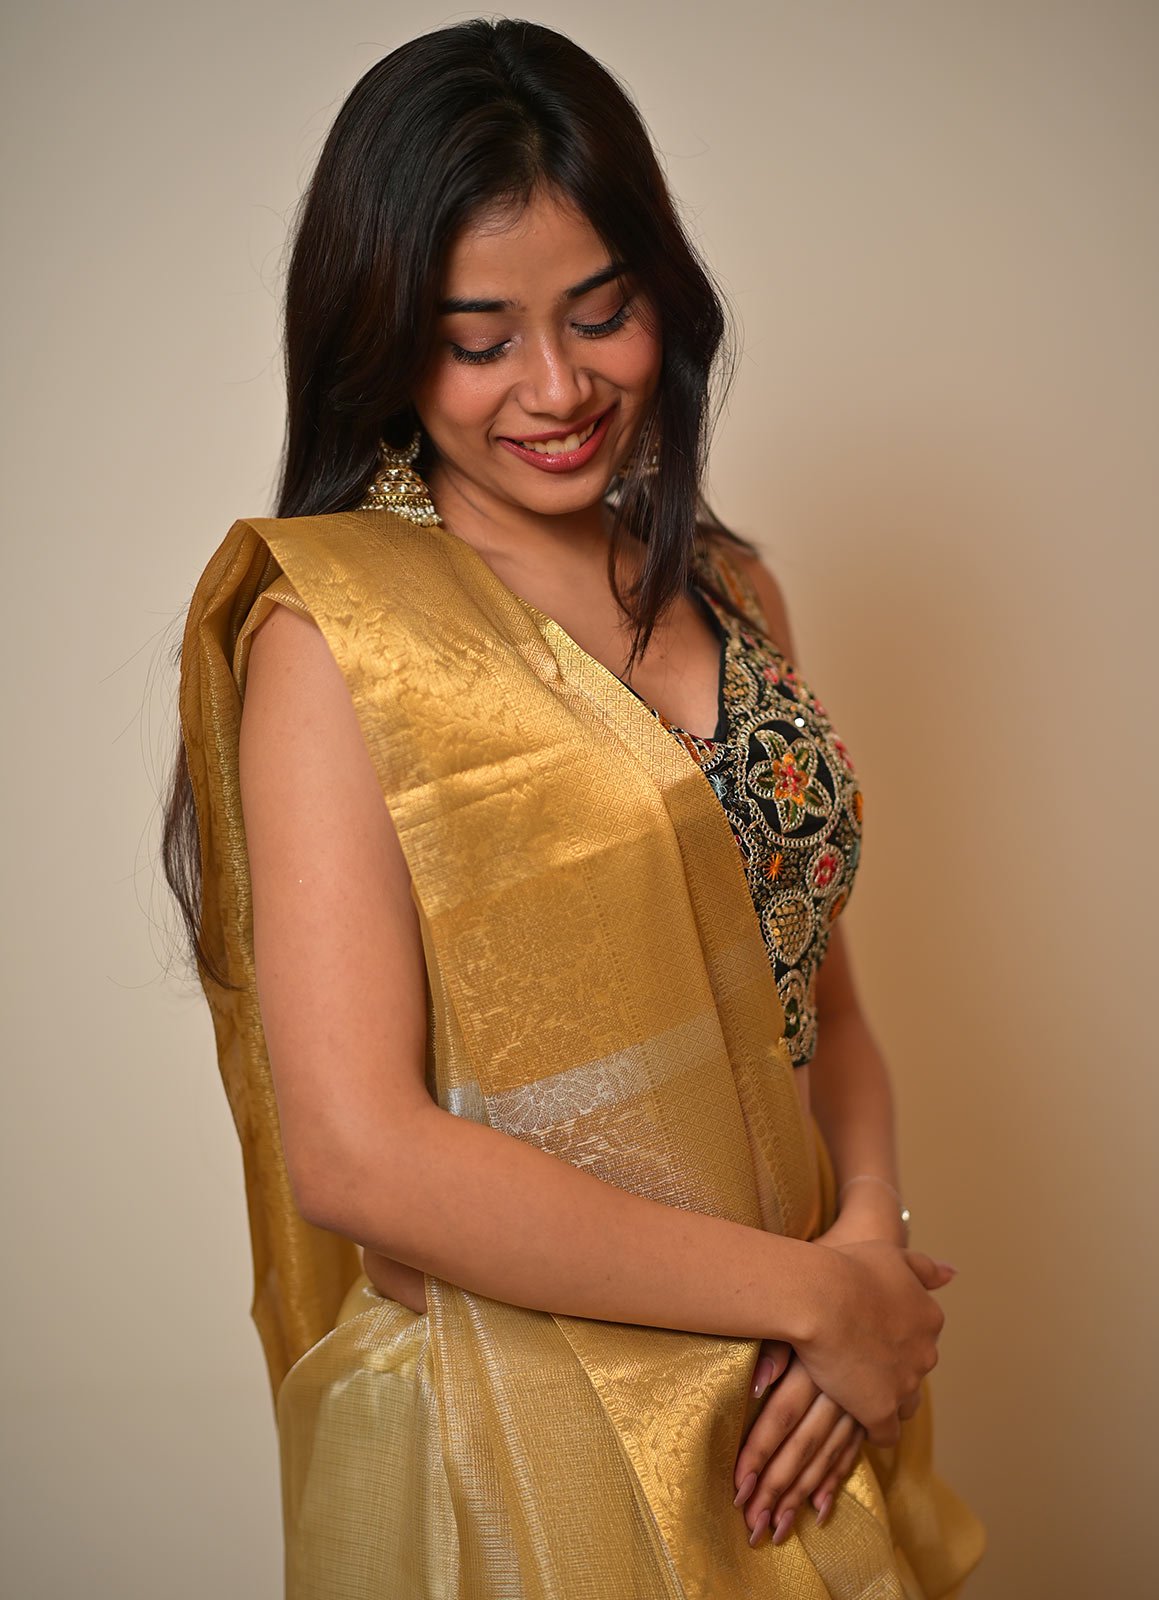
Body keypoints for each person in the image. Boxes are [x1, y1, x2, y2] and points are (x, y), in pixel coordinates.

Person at [163, 17, 986, 1597]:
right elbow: (361, 1158)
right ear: (383, 339)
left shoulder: (728, 590)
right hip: (526, 1431)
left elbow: (822, 1006)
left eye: (600, 314)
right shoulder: (342, 640)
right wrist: (808, 1301)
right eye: (480, 340)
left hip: (794, 1409)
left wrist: (865, 1250)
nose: (556, 386)